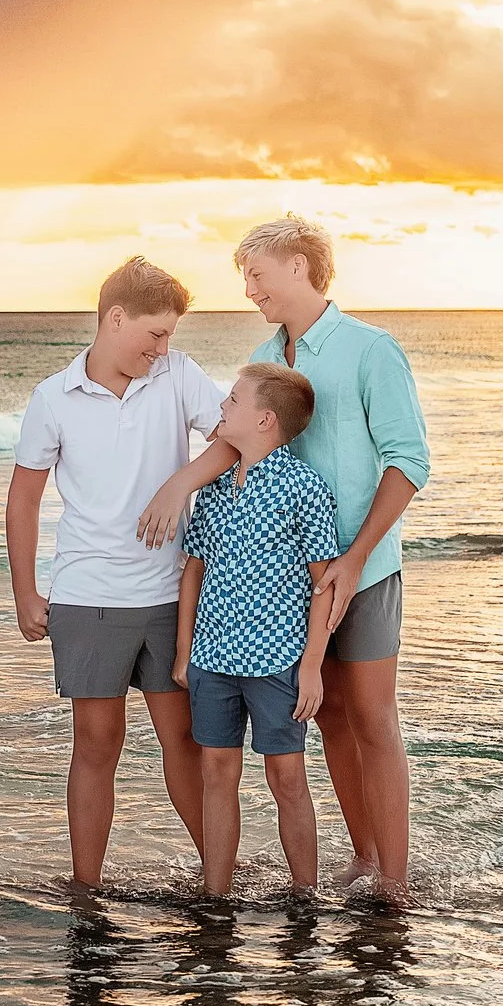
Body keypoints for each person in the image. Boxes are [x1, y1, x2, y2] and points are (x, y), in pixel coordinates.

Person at [143, 216, 429, 900]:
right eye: (245, 277)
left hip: (361, 568)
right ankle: (361, 856)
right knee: (324, 715)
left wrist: (356, 557)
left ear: (298, 266)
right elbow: (237, 441)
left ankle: (394, 878)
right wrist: (184, 480)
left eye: (257, 273)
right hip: (288, 583)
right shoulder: (268, 355)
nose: (249, 288)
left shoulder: (369, 350)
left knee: (372, 714)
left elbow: (409, 461)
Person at [7, 256, 220, 888]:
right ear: (115, 319)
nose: (162, 348)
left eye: (170, 337)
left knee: (181, 741)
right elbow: (23, 498)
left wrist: (181, 483)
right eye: (155, 334)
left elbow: (237, 436)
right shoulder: (53, 397)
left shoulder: (178, 375)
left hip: (168, 594)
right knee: (97, 744)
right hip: (88, 595)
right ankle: (86, 890)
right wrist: (25, 590)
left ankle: (218, 877)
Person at [170, 363, 341, 898]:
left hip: (279, 661)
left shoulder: (304, 488)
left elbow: (324, 586)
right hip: (213, 658)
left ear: (265, 420)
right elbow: (193, 569)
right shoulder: (215, 488)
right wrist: (184, 652)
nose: (223, 406)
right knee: (216, 775)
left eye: (234, 401)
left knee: (286, 779)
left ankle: (305, 898)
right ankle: (215, 896)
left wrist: (311, 667)